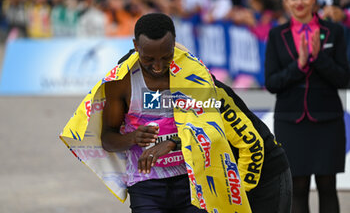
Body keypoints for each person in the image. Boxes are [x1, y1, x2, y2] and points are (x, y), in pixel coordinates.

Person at [60, 12, 291, 213]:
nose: (158, 66)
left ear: (174, 48)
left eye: (166, 57)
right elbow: (107, 139)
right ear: (135, 47)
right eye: (148, 59)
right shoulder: (121, 83)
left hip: (231, 177)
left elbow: (228, 136)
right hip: (149, 185)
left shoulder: (197, 81)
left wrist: (232, 189)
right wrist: (133, 138)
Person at [265, 0, 350, 212]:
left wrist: (319, 58)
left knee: (327, 185)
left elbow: (343, 78)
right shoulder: (276, 35)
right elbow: (272, 83)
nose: (299, 2)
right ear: (286, 1)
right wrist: (300, 65)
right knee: (297, 188)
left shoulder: (335, 31)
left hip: (327, 121)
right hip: (290, 122)